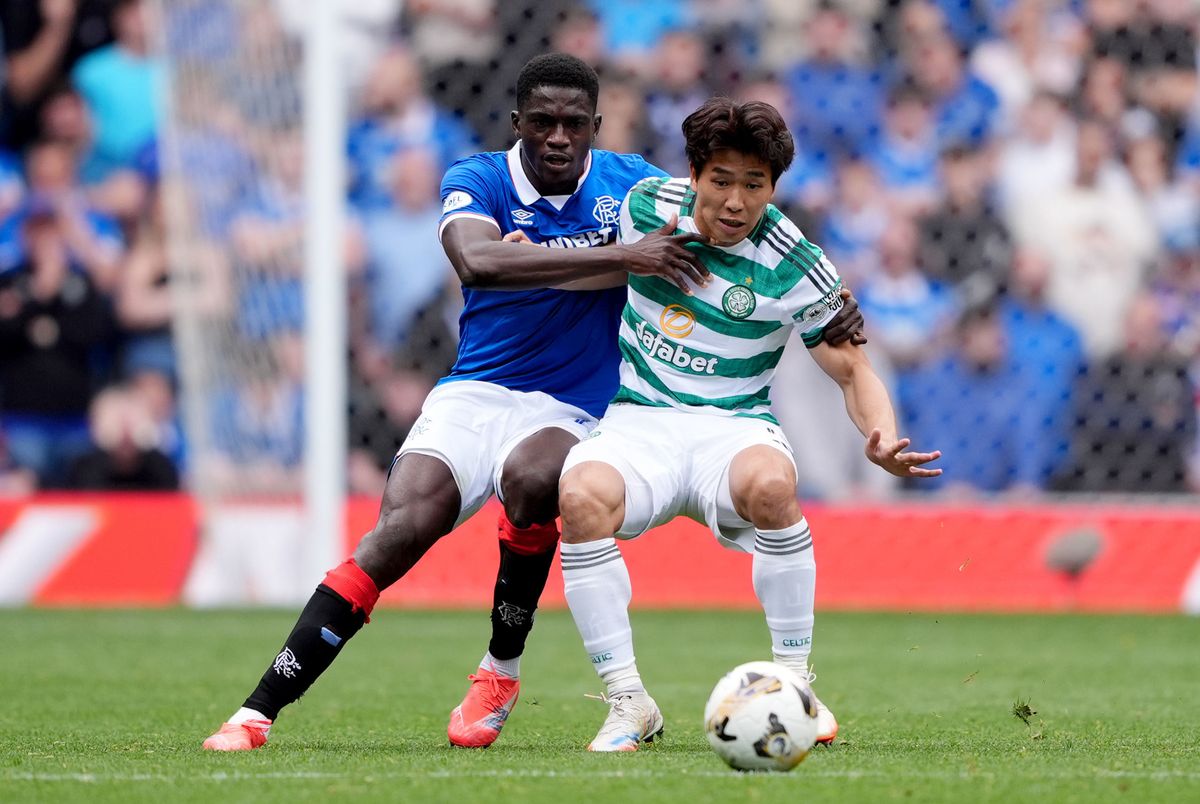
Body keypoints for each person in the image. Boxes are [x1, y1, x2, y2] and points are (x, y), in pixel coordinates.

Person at [200, 53, 869, 753]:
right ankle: (257, 711)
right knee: (401, 529)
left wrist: (835, 302)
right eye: (543, 121)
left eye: (573, 123)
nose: (557, 136)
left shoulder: (632, 184)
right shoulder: (477, 177)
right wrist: (619, 259)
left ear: (594, 127)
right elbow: (479, 262)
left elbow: (732, 206)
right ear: (518, 122)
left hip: (575, 404)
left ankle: (500, 670)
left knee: (535, 479)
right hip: (476, 390)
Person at [554, 97, 940, 752]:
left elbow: (853, 369)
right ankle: (628, 704)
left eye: (754, 185)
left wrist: (878, 435)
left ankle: (795, 687)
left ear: (774, 187)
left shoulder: (796, 262)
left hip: (733, 425)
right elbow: (576, 241)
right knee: (579, 496)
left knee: (771, 487)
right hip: (639, 420)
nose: (735, 201)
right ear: (696, 175)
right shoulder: (644, 208)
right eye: (721, 181)